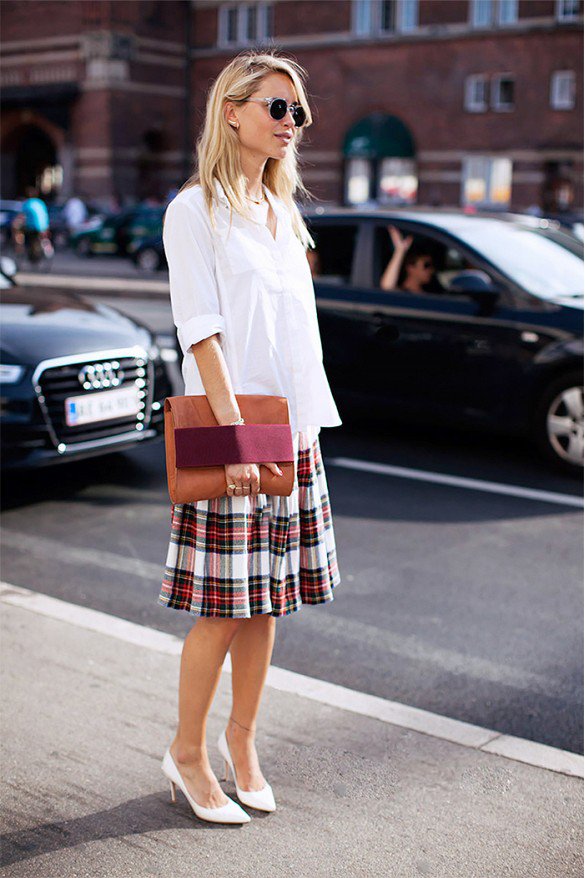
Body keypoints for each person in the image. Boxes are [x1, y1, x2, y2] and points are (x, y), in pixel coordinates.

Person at [158, 50, 343, 824]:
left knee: (266, 605)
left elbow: (292, 334)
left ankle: (243, 741)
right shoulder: (193, 210)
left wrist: (299, 430)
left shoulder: (283, 211)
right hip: (238, 429)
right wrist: (236, 439)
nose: (289, 124)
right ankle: (188, 752)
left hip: (293, 430)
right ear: (230, 110)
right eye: (276, 107)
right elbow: (202, 334)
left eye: (296, 112)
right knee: (223, 607)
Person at [380, 224, 447, 294]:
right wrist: (400, 251)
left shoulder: (431, 292)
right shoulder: (403, 294)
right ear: (410, 267)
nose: (431, 270)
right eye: (427, 265)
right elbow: (387, 288)